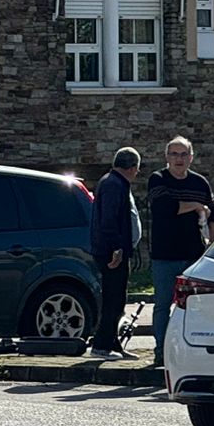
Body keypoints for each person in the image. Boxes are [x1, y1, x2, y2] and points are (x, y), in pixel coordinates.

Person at [145, 135, 214, 366]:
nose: (179, 159)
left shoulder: (200, 182)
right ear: (166, 157)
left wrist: (212, 244)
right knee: (162, 305)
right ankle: (161, 351)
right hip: (165, 255)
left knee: (197, 308)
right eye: (174, 154)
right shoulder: (158, 179)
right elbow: (163, 209)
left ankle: (194, 352)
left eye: (183, 154)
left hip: (194, 256)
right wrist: (196, 206)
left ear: (191, 157)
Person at [90, 147, 142, 359]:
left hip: (115, 249)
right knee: (113, 298)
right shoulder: (114, 185)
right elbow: (109, 220)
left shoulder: (114, 182)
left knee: (118, 298)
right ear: (132, 168)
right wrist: (117, 248)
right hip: (112, 251)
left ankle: (113, 343)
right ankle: (101, 346)